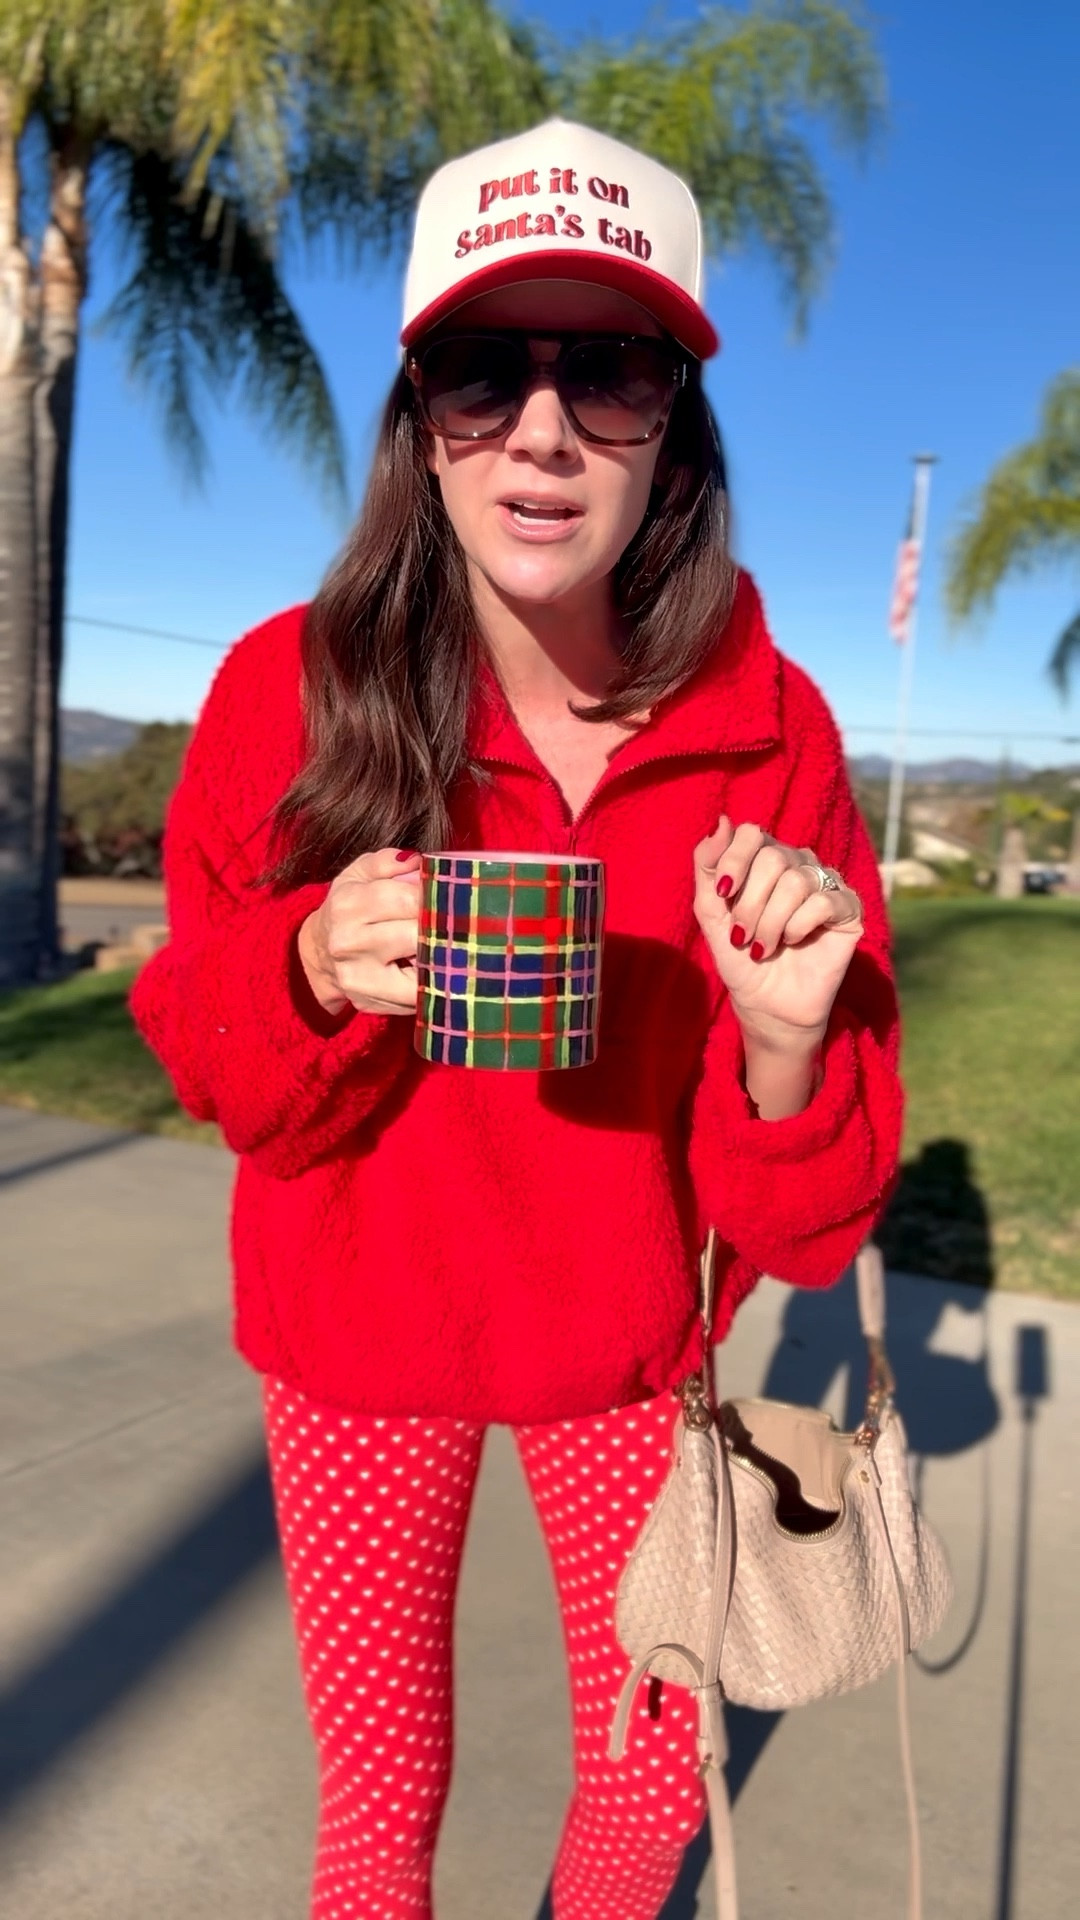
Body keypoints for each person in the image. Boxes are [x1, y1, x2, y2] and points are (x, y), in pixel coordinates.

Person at [132, 118, 902, 1920]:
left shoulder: (772, 727)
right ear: (423, 415)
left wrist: (786, 1039)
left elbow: (809, 1230)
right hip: (357, 1340)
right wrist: (309, 966)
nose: (543, 430)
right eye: (486, 369)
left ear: (673, 429)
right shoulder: (286, 691)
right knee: (378, 1804)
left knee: (649, 1788)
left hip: (628, 1351)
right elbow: (216, 1070)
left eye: (611, 372)